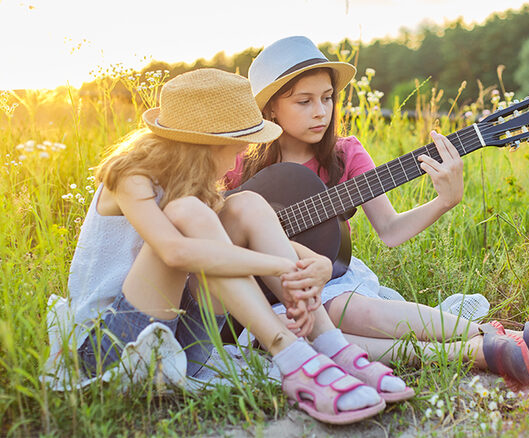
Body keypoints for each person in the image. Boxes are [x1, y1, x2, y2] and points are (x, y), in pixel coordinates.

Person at [53, 68, 415, 425]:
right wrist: (277, 267)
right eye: (237, 146)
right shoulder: (131, 176)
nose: (240, 155)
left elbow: (255, 229)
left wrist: (312, 262)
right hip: (112, 348)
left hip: (183, 342)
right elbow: (174, 252)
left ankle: (332, 345)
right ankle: (290, 355)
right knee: (190, 212)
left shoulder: (191, 181)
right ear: (207, 144)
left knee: (248, 204)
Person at [225, 36, 529, 388]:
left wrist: (443, 202)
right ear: (269, 110)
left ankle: (495, 335)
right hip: (264, 291)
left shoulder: (346, 155)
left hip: (333, 281)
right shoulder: (238, 164)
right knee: (303, 337)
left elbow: (389, 230)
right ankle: (479, 351)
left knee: (351, 311)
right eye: (304, 101)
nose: (320, 111)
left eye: (327, 98)